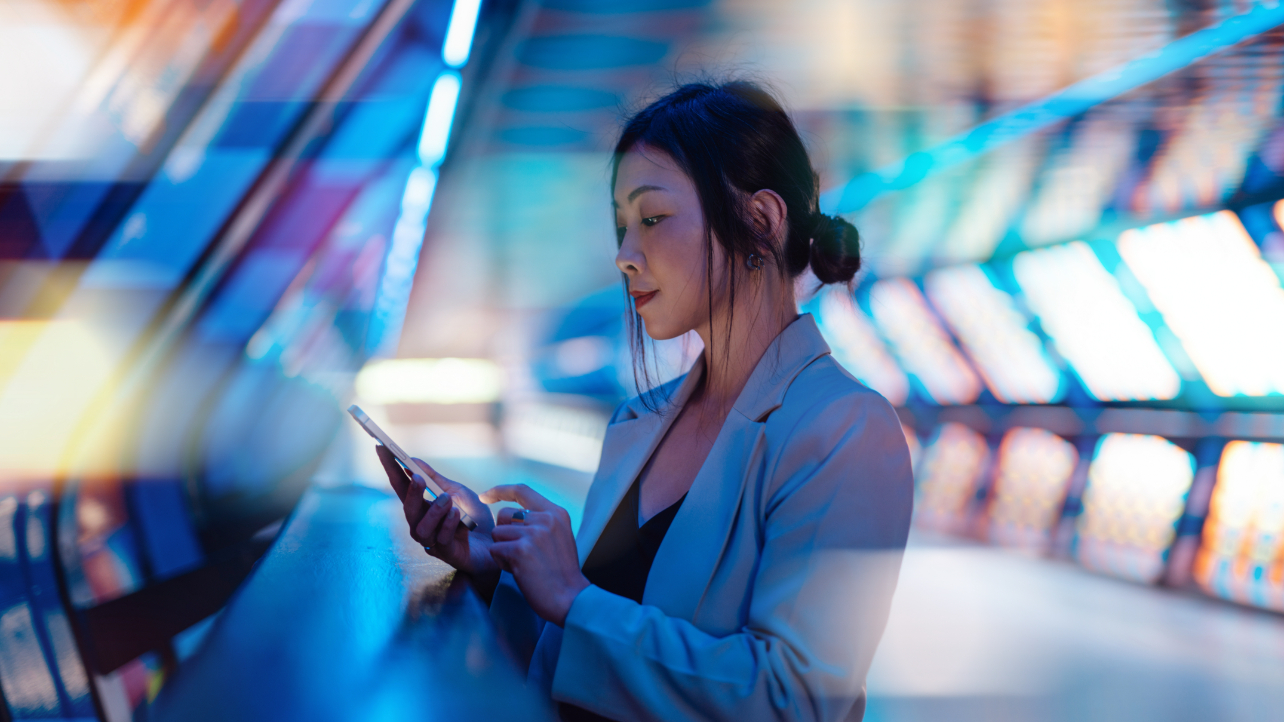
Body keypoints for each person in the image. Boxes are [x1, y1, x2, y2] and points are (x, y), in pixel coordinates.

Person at [377, 80, 914, 722]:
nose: (625, 257)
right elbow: (593, 643)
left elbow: (793, 700)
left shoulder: (846, 430)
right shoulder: (641, 420)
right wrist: (500, 567)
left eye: (652, 219)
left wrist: (572, 597)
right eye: (621, 226)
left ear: (762, 221)